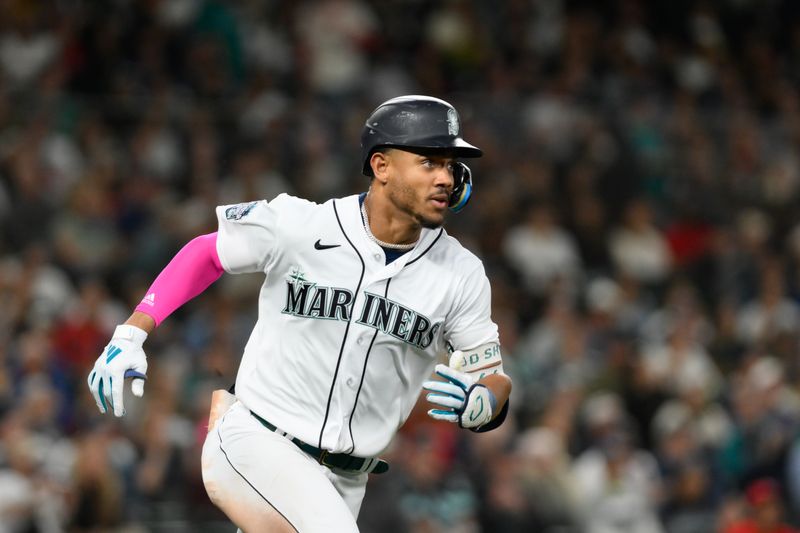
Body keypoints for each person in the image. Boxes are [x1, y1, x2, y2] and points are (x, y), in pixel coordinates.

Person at [87, 95, 512, 532]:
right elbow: (207, 253)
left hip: (347, 481)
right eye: (429, 162)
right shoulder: (302, 224)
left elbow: (491, 377)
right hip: (257, 442)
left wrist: (486, 404)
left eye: (451, 165)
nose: (445, 177)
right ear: (382, 166)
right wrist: (131, 333)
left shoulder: (462, 274)